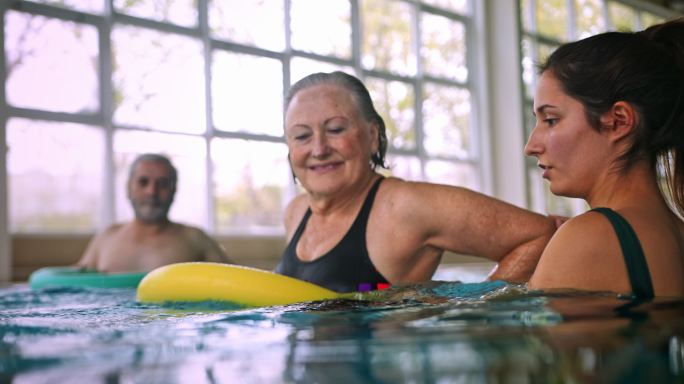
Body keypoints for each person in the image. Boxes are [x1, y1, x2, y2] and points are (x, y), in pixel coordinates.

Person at [275, 71, 557, 293]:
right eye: (302, 136)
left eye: (335, 129)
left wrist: (477, 308)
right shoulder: (296, 212)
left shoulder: (403, 207)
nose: (319, 148)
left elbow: (537, 236)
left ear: (373, 136)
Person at [524, 18, 684, 299]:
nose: (531, 146)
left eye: (550, 120)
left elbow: (522, 343)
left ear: (619, 121)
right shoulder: (677, 232)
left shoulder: (589, 237)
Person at [76, 153, 230, 272]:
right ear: (129, 188)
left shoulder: (195, 239)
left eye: (163, 184)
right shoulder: (107, 237)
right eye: (143, 182)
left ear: (174, 190)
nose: (152, 191)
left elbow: (237, 283)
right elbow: (74, 285)